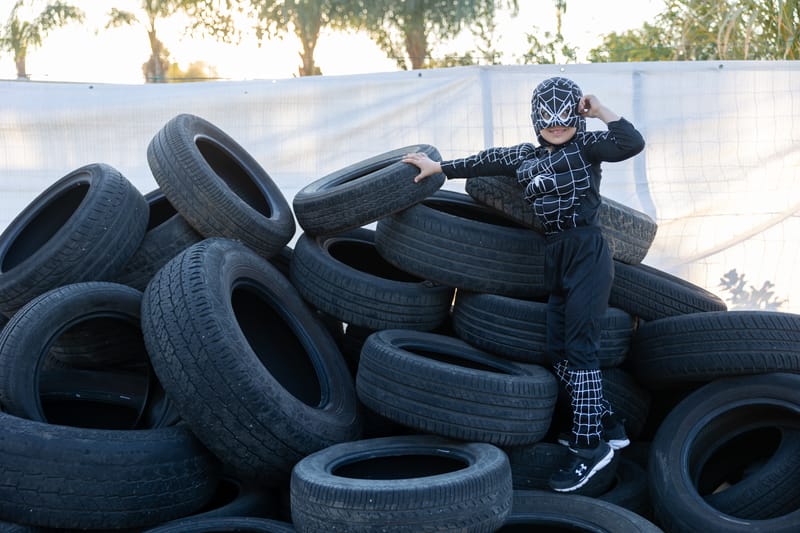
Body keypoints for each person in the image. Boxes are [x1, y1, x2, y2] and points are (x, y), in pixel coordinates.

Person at [402, 76, 645, 492]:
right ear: (536, 118)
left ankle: (590, 447)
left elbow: (631, 143)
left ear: (576, 113)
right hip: (555, 254)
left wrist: (600, 109)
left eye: (564, 114)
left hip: (587, 252)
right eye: (547, 117)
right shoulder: (524, 157)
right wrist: (437, 167)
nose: (555, 123)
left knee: (582, 349)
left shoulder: (588, 148)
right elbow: (483, 162)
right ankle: (606, 418)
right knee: (558, 348)